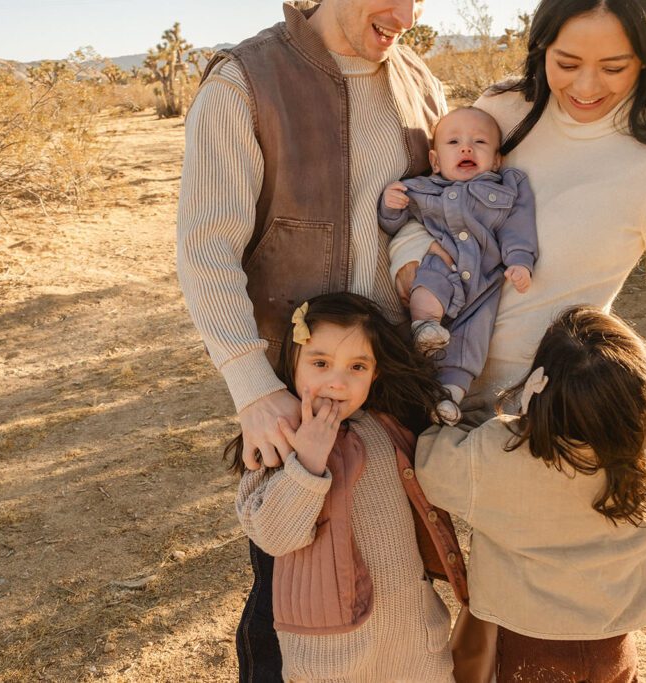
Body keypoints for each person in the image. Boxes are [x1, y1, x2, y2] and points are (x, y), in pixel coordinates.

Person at [389, 0, 646, 676]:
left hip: (536, 424)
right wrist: (410, 264)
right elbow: (434, 199)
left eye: (614, 66)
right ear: (539, 47)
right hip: (428, 387)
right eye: (566, 63)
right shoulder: (505, 114)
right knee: (417, 606)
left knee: (540, 630)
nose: (584, 88)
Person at [176, 1, 447, 678]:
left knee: (403, 591)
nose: (408, 13)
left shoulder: (420, 86)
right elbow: (207, 251)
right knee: (289, 600)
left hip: (401, 404)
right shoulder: (244, 84)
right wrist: (253, 387)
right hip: (296, 401)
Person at [415, 306, 646, 682]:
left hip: (525, 643)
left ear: (540, 388)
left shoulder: (499, 453)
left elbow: (429, 465)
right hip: (615, 645)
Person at [233, 293, 465, 683]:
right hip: (333, 657)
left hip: (413, 642)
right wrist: (306, 463)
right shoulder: (278, 439)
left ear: (375, 373)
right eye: (320, 363)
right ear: (292, 363)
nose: (337, 382)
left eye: (357, 366)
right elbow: (272, 537)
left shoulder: (387, 427)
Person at [378, 106, 538, 425]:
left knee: (470, 341)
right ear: (436, 162)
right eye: (454, 143)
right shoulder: (421, 189)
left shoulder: (508, 187)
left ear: (496, 160)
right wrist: (390, 205)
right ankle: (424, 325)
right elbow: (394, 224)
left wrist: (521, 261)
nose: (466, 147)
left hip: (481, 284)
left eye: (479, 142)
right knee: (428, 283)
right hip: (442, 268)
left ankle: (448, 398)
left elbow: (518, 227)